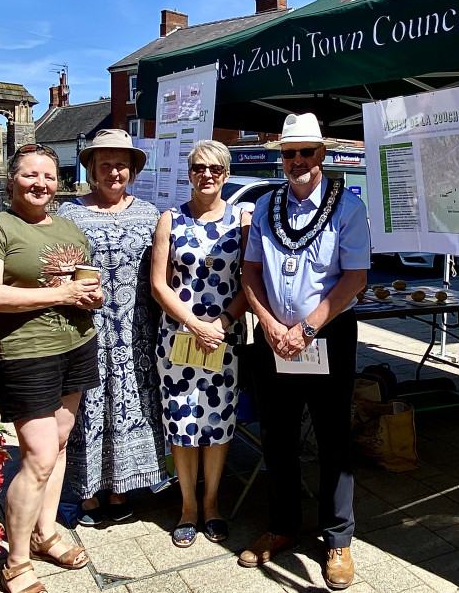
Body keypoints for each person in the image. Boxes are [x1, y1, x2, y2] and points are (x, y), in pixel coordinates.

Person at [238, 113, 370, 591]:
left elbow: (355, 278)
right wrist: (271, 324)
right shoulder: (267, 203)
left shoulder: (347, 208)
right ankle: (283, 524)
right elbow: (250, 274)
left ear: (322, 155)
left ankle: (338, 538)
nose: (297, 161)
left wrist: (309, 328)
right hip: (273, 337)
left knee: (334, 436)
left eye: (306, 152)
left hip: (327, 336)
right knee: (278, 436)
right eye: (289, 153)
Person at [0, 143, 104, 593]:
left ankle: (46, 532)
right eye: (30, 175)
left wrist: (89, 295)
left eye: (48, 176)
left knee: (60, 444)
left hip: (78, 344)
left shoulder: (67, 227)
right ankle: (17, 562)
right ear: (12, 180)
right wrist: (61, 296)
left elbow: (82, 281)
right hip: (27, 352)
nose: (41, 184)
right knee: (39, 457)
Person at [57, 129, 168, 526]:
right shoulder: (68, 214)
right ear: (91, 169)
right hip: (87, 330)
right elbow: (55, 269)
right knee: (88, 407)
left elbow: (165, 274)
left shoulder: (151, 215)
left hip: (136, 331)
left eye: (121, 164)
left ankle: (121, 488)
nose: (114, 172)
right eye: (105, 164)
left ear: (133, 171)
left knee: (131, 405)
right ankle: (87, 493)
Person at [150, 140, 251, 548]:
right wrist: (194, 323)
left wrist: (223, 321)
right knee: (181, 419)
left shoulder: (242, 220)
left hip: (223, 337)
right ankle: (187, 506)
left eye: (214, 168)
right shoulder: (169, 220)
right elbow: (159, 284)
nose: (205, 174)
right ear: (189, 173)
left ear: (225, 174)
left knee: (218, 421)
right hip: (179, 337)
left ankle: (211, 503)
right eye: (197, 168)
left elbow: (251, 282)